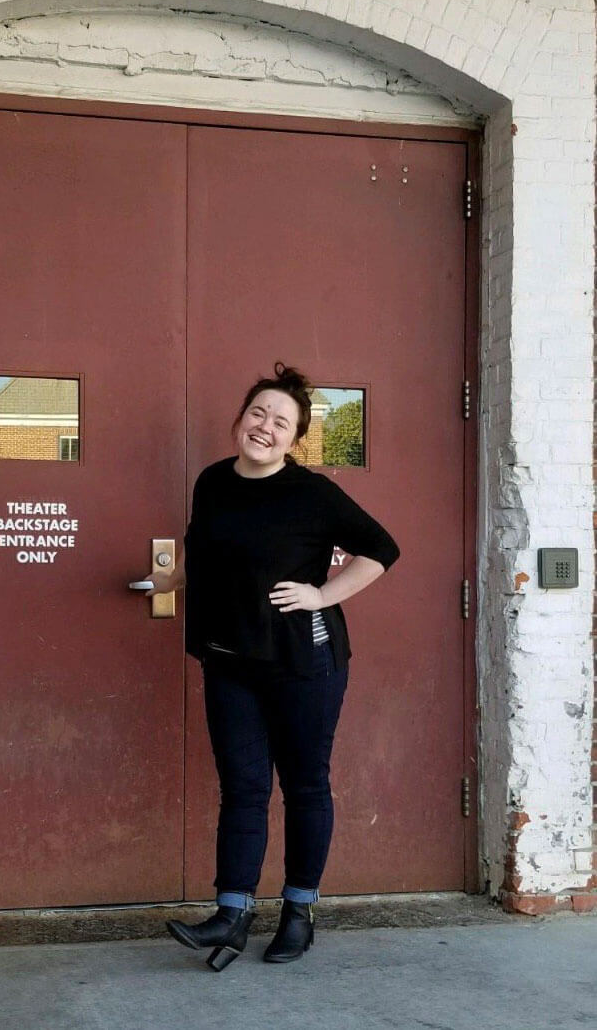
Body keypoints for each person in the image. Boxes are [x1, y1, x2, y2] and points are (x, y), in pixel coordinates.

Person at [143, 362, 399, 971]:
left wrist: (322, 594)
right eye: (258, 413)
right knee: (244, 789)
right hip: (228, 661)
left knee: (305, 784)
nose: (265, 426)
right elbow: (201, 550)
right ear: (239, 419)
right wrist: (166, 580)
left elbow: (382, 549)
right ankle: (230, 916)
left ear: (294, 438)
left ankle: (298, 913)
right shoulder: (212, 482)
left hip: (302, 664)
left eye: (280, 421)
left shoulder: (312, 494)